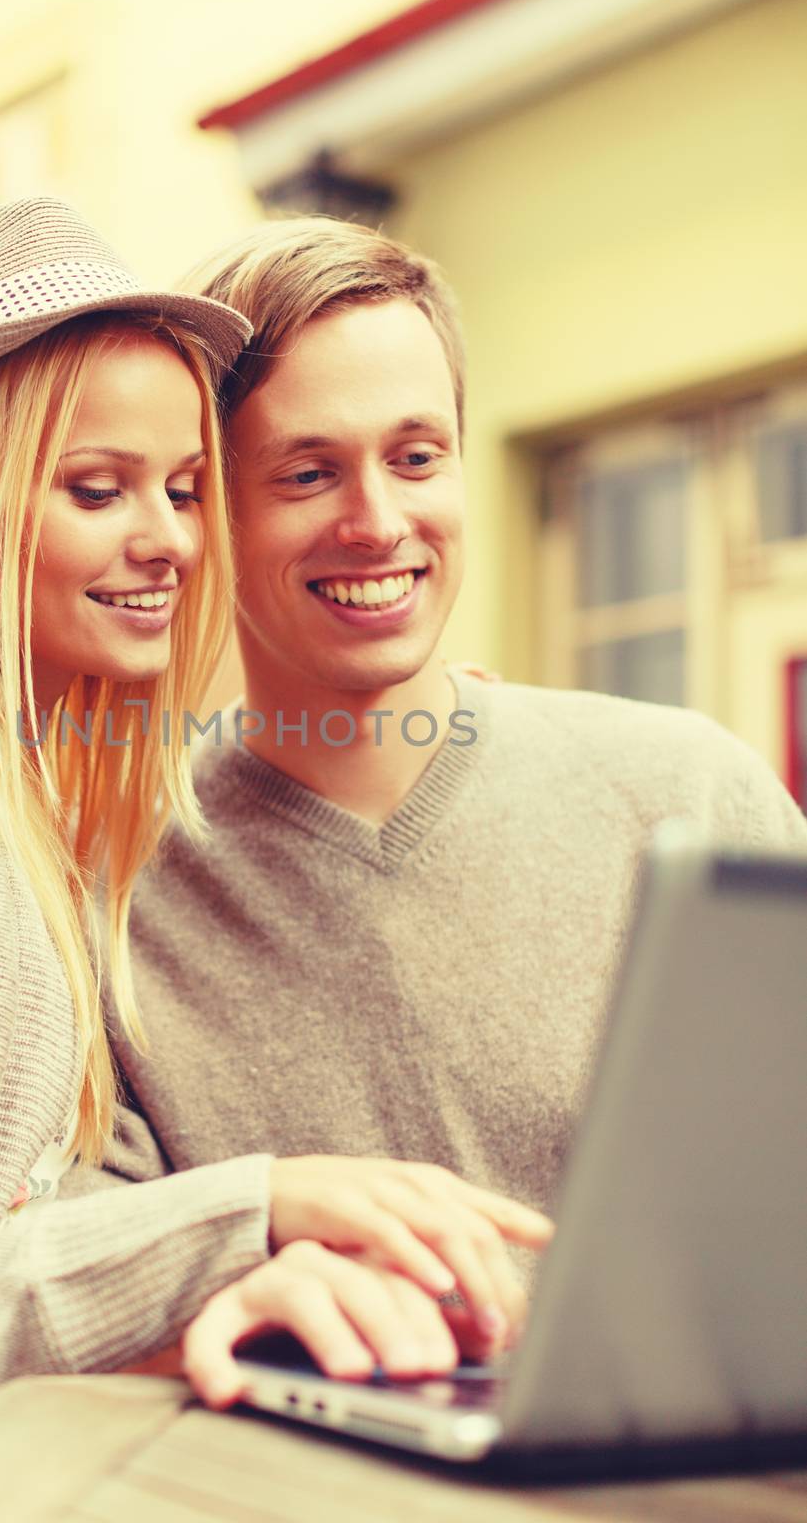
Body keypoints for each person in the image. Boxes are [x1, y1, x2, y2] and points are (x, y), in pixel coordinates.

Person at [0, 198, 551, 1448]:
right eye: (97, 489)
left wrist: (251, 1279)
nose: (169, 542)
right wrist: (256, 1212)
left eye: (187, 489)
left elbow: (49, 1200)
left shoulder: (34, 803)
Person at [56, 215, 807, 1405]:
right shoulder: (101, 891)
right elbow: (74, 1264)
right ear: (205, 511)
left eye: (416, 457)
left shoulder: (687, 794)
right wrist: (214, 1293)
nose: (377, 520)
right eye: (306, 472)